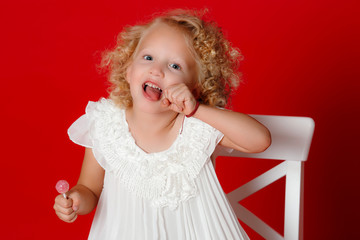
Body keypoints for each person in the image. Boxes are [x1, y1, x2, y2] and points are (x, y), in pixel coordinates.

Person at [53, 9, 271, 239]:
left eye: (175, 66)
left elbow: (261, 140)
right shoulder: (107, 125)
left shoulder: (197, 126)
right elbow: (89, 189)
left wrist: (198, 110)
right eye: (148, 58)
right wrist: (76, 200)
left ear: (194, 87)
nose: (156, 70)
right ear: (128, 70)